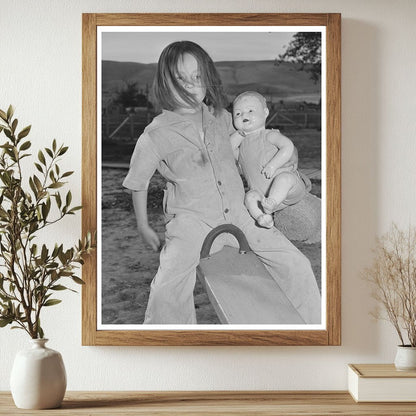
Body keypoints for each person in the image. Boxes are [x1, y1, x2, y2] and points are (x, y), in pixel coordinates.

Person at [122, 41, 321, 325]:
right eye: (181, 78)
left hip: (240, 213)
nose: (191, 85)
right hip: (192, 221)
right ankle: (169, 344)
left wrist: (279, 164)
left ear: (208, 78)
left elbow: (253, 137)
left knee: (296, 264)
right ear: (166, 81)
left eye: (198, 76)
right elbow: (138, 182)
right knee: (168, 283)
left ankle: (306, 329)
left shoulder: (222, 118)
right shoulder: (155, 134)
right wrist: (143, 225)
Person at [231, 91, 310, 229]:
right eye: (238, 113)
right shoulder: (242, 148)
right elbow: (228, 150)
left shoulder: (269, 135)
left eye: (250, 110)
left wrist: (273, 166)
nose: (244, 115)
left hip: (288, 190)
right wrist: (238, 135)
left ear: (265, 113)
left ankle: (272, 202)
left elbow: (287, 146)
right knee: (250, 197)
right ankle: (262, 217)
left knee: (284, 179)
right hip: (263, 197)